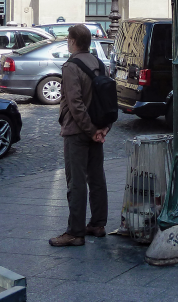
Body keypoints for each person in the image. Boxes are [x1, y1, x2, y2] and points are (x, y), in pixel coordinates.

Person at [49, 24, 111, 247]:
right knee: (96, 179)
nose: (67, 42)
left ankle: (75, 232)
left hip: (78, 132)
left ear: (73, 41)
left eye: (68, 39)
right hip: (96, 131)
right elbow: (108, 101)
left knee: (76, 181)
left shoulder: (70, 66)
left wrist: (91, 131)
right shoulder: (99, 64)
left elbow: (74, 105)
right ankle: (98, 224)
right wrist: (102, 129)